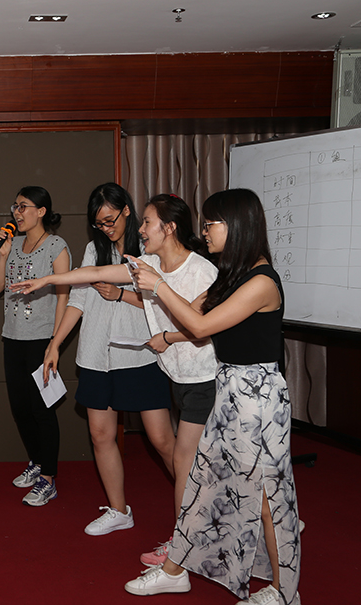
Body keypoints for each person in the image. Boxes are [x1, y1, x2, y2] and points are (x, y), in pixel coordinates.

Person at [122, 188, 300, 605]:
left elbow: (202, 329)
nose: (204, 231)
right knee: (207, 482)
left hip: (257, 398)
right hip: (230, 390)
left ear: (237, 225)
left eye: (211, 223)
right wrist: (164, 324)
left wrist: (160, 287)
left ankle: (283, 592)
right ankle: (175, 571)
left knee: (266, 497)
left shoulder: (261, 280)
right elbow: (194, 314)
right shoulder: (233, 273)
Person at [25, 183, 175, 531]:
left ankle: (199, 506)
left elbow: (167, 305)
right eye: (100, 224)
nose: (106, 228)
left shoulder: (149, 249)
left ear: (126, 211)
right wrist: (55, 345)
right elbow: (79, 299)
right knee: (100, 435)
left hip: (139, 355)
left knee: (162, 439)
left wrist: (120, 297)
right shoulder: (95, 249)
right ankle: (118, 510)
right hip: (96, 355)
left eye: (111, 220)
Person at [130, 194, 218, 567]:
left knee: (185, 461)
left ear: (169, 227)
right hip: (179, 374)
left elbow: (202, 328)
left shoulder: (203, 271)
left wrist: (166, 338)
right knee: (216, 463)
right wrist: (51, 279)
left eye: (147, 221)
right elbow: (98, 273)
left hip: (206, 375)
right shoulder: (149, 263)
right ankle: (273, 521)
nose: (141, 228)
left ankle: (180, 548)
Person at [0, 186, 70, 506]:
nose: (17, 213)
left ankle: (48, 478)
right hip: (12, 336)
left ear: (41, 211)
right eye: (15, 207)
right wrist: (4, 254)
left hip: (41, 339)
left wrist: (55, 341)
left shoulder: (56, 246)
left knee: (42, 410)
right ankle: (37, 462)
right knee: (21, 408)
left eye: (24, 207)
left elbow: (65, 294)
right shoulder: (14, 245)